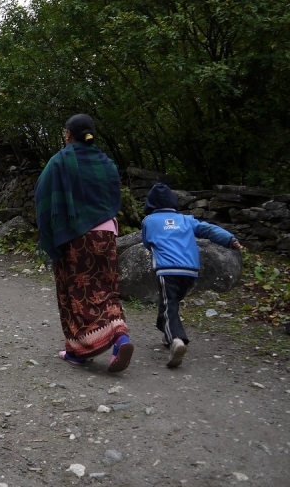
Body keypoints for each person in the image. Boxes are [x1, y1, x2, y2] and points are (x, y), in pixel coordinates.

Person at [35, 114, 133, 373]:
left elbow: (43, 194)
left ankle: (78, 351)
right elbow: (113, 197)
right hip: (107, 233)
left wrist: (52, 232)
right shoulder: (107, 163)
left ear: (68, 133)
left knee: (77, 292)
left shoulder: (60, 162)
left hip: (76, 236)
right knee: (106, 287)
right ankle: (120, 337)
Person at [141, 183, 244, 368]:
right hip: (190, 271)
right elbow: (208, 229)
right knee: (170, 303)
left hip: (167, 269)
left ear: (150, 204)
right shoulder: (186, 220)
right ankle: (167, 332)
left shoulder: (149, 221)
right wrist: (230, 239)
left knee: (168, 304)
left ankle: (177, 340)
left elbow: (147, 242)